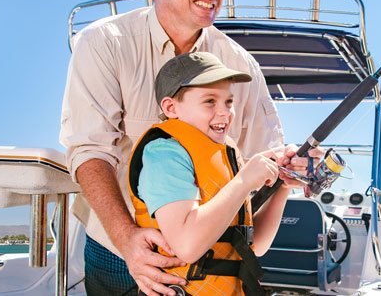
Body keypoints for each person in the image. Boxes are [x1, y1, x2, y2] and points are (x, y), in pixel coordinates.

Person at [60, 0, 309, 296]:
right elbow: (90, 150)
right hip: (118, 246)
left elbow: (266, 157)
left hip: (214, 259)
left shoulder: (241, 63)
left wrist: (293, 168)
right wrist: (128, 240)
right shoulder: (102, 43)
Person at [128, 51, 305, 296]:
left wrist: (282, 187)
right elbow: (187, 247)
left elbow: (256, 246)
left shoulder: (225, 153)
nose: (225, 112)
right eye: (210, 101)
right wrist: (243, 182)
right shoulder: (165, 154)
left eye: (228, 102)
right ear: (171, 107)